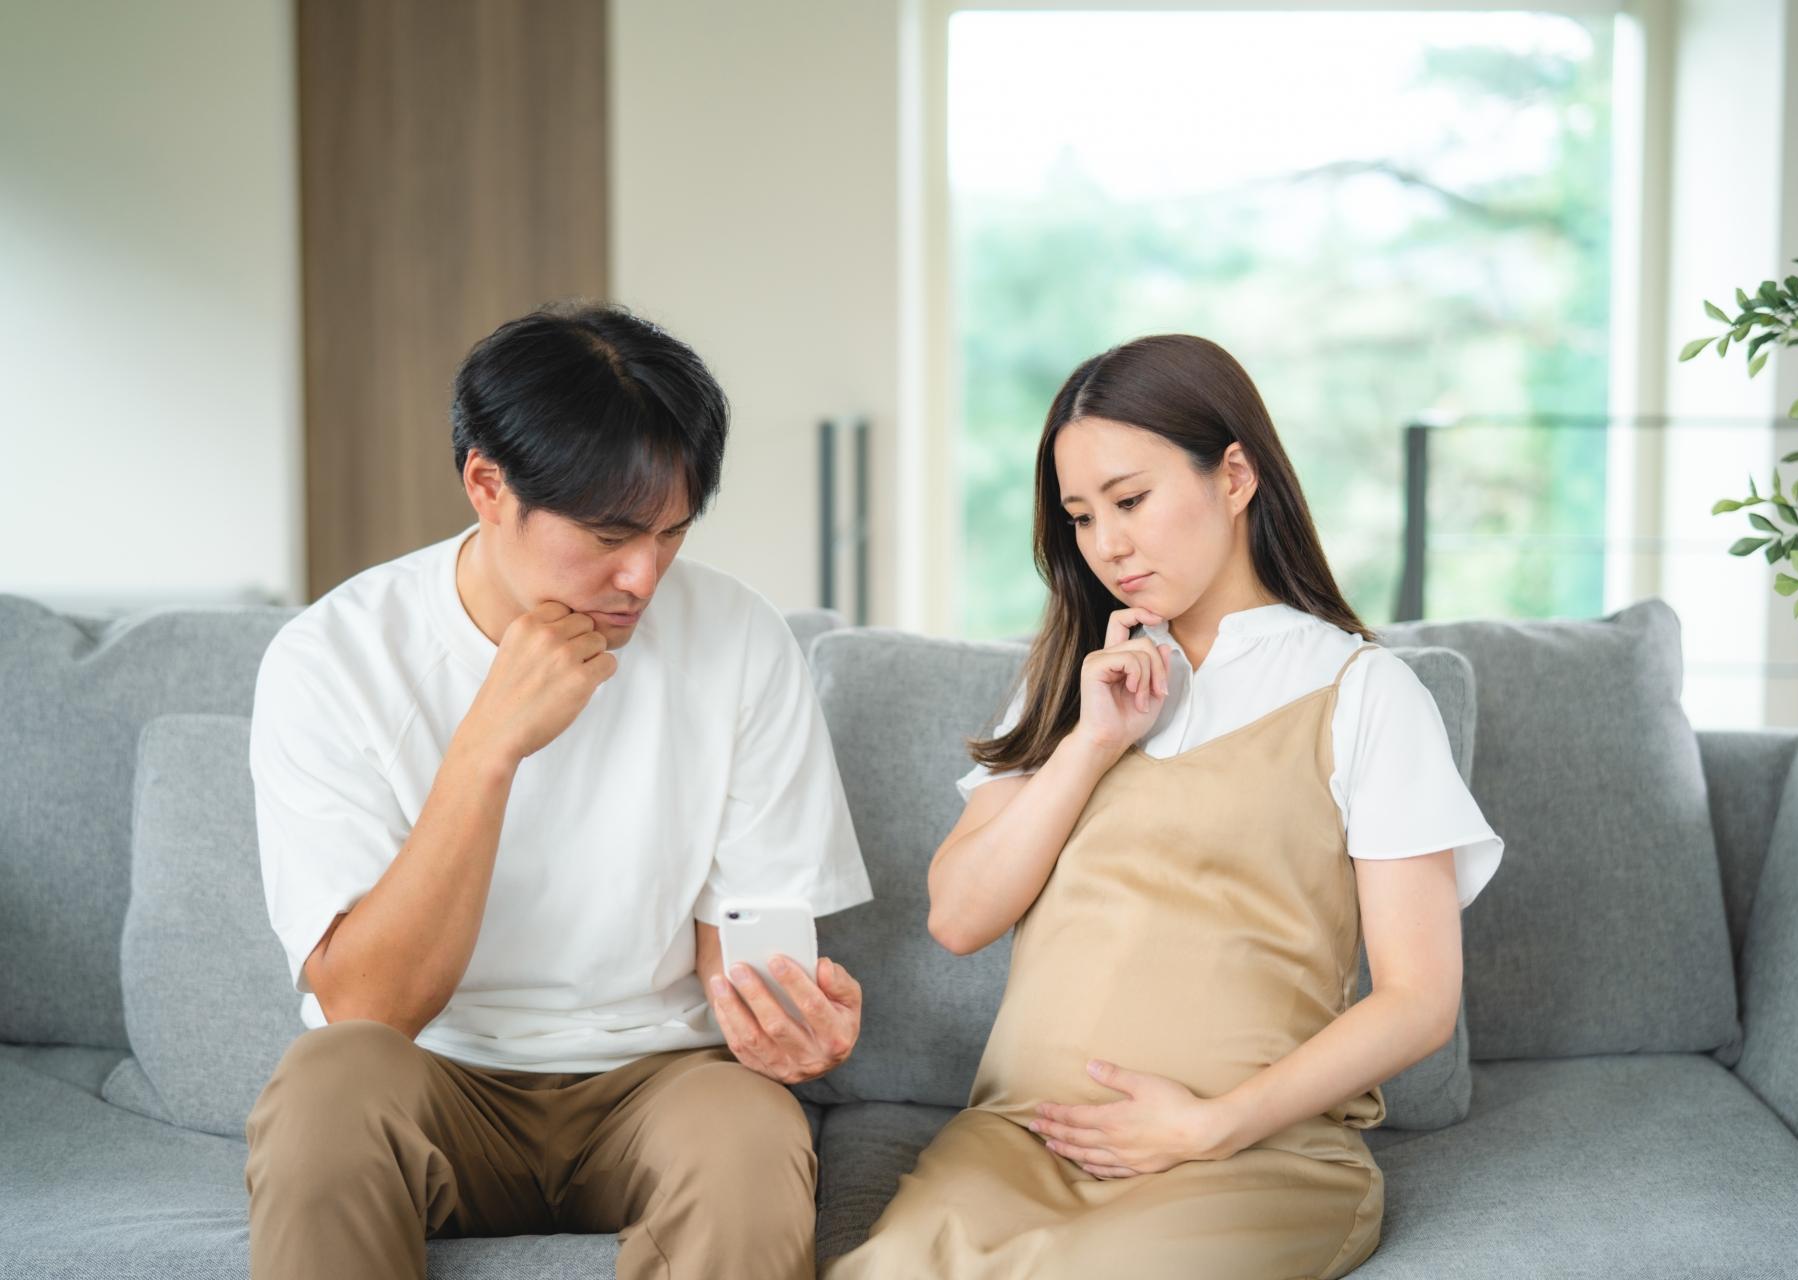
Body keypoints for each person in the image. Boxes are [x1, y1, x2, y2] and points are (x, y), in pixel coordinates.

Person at [827, 334, 1503, 1279]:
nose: (1107, 544)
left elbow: (1418, 1000)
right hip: (1024, 1141)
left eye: (1131, 500)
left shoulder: (1365, 691)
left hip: (1244, 1157)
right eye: (1080, 516)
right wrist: (1093, 741)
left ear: (1234, 476)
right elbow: (960, 916)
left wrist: (1212, 1125)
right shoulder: (1069, 684)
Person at [243, 302, 874, 1280]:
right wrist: (489, 745)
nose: (642, 575)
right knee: (326, 1082)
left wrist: (791, 1028)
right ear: (488, 484)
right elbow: (367, 1002)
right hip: (426, 1070)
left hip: (662, 1080)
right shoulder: (333, 657)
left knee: (750, 1128)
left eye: (671, 533)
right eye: (610, 532)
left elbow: (744, 956)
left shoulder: (740, 638)